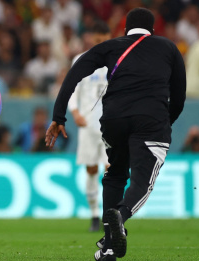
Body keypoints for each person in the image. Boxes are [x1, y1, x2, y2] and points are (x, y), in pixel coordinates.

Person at [45, 8, 186, 261]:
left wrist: (59, 116)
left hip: (113, 120)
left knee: (115, 174)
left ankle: (108, 249)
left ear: (125, 30)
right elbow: (179, 95)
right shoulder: (169, 48)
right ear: (152, 30)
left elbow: (74, 74)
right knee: (142, 182)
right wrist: (165, 123)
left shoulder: (110, 47)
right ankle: (119, 216)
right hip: (150, 121)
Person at [67, 21, 111, 232]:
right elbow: (71, 89)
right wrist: (74, 112)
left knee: (111, 171)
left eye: (103, 41)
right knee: (92, 170)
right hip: (88, 125)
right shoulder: (81, 60)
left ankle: (109, 215)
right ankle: (94, 214)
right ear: (92, 39)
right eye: (97, 41)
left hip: (111, 126)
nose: (100, 44)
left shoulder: (117, 61)